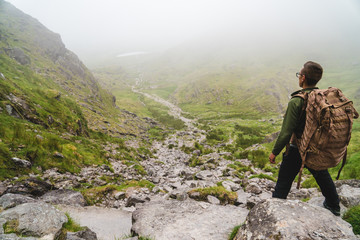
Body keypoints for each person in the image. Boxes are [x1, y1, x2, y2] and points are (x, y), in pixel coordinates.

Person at [268, 61, 340, 216]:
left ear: (303, 78)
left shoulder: (297, 100)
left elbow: (286, 132)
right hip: (315, 148)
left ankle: (274, 212)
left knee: (283, 182)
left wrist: (274, 152)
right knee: (322, 175)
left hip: (296, 149)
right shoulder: (322, 98)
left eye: (299, 75)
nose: (299, 77)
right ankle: (334, 206)